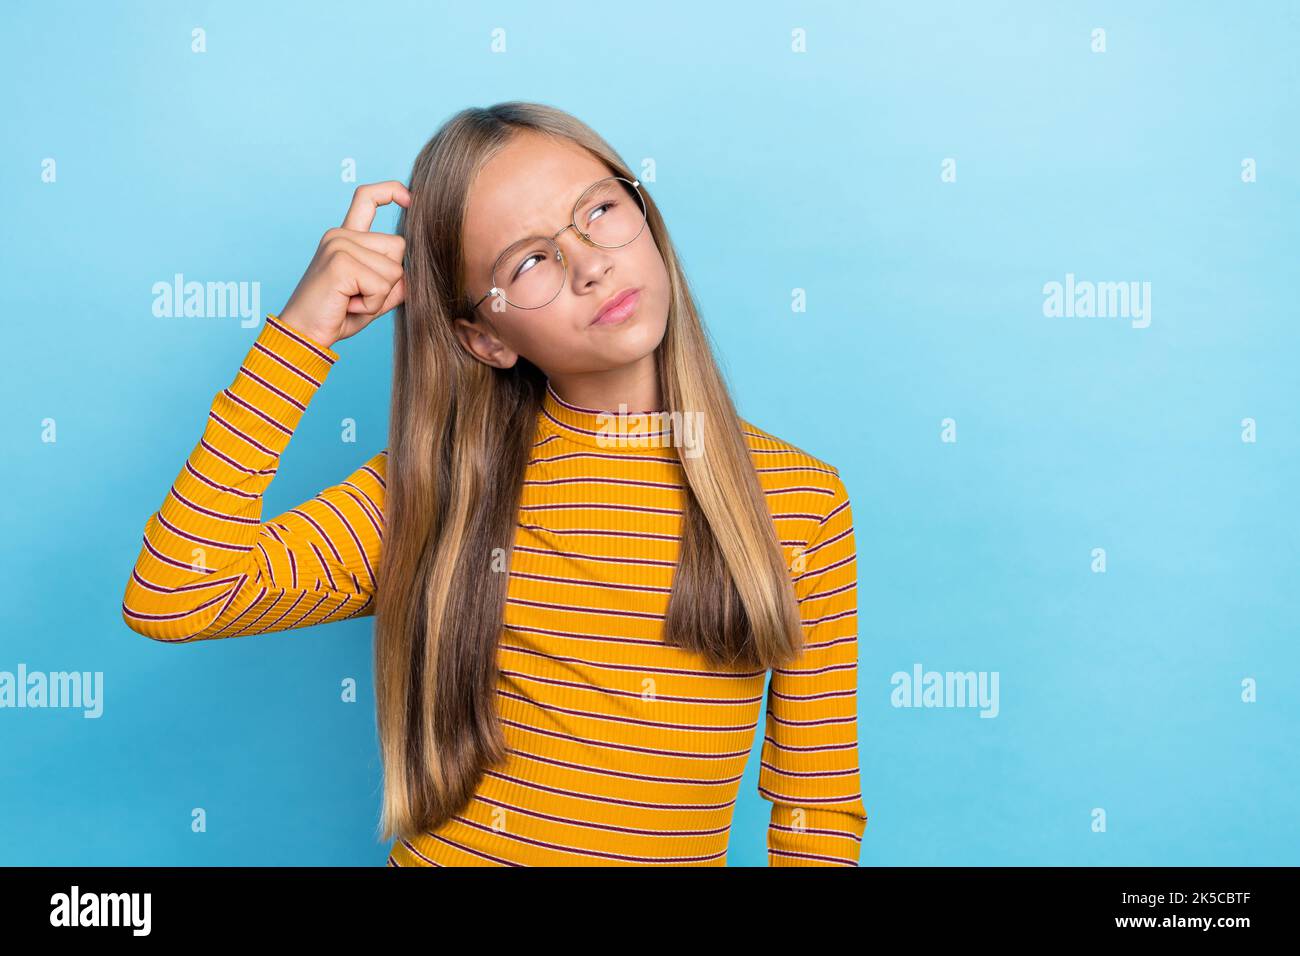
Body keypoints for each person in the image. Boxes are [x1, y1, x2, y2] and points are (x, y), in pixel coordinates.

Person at [121, 101, 868, 866]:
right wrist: (302, 337)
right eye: (530, 262)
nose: (590, 265)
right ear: (484, 337)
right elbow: (174, 595)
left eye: (599, 211)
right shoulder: (436, 490)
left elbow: (817, 807)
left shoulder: (800, 500)